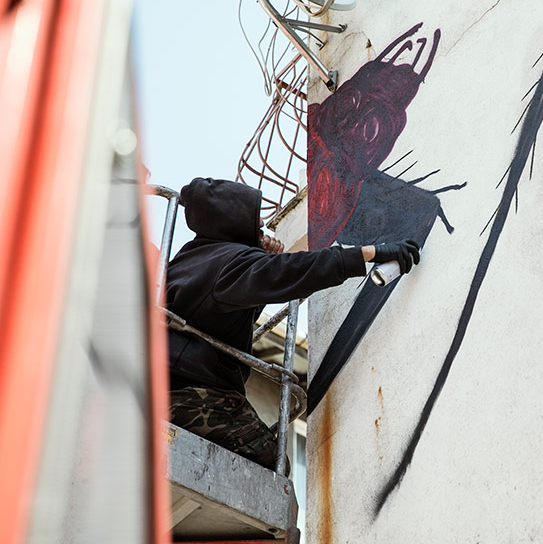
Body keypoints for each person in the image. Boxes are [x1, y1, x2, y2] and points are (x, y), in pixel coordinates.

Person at [166, 177, 420, 469]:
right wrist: (370, 253)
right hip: (192, 396)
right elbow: (293, 271)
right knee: (269, 462)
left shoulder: (188, 260)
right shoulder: (231, 262)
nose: (262, 223)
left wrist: (261, 256)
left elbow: (223, 310)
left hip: (162, 388)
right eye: (252, 216)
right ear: (230, 219)